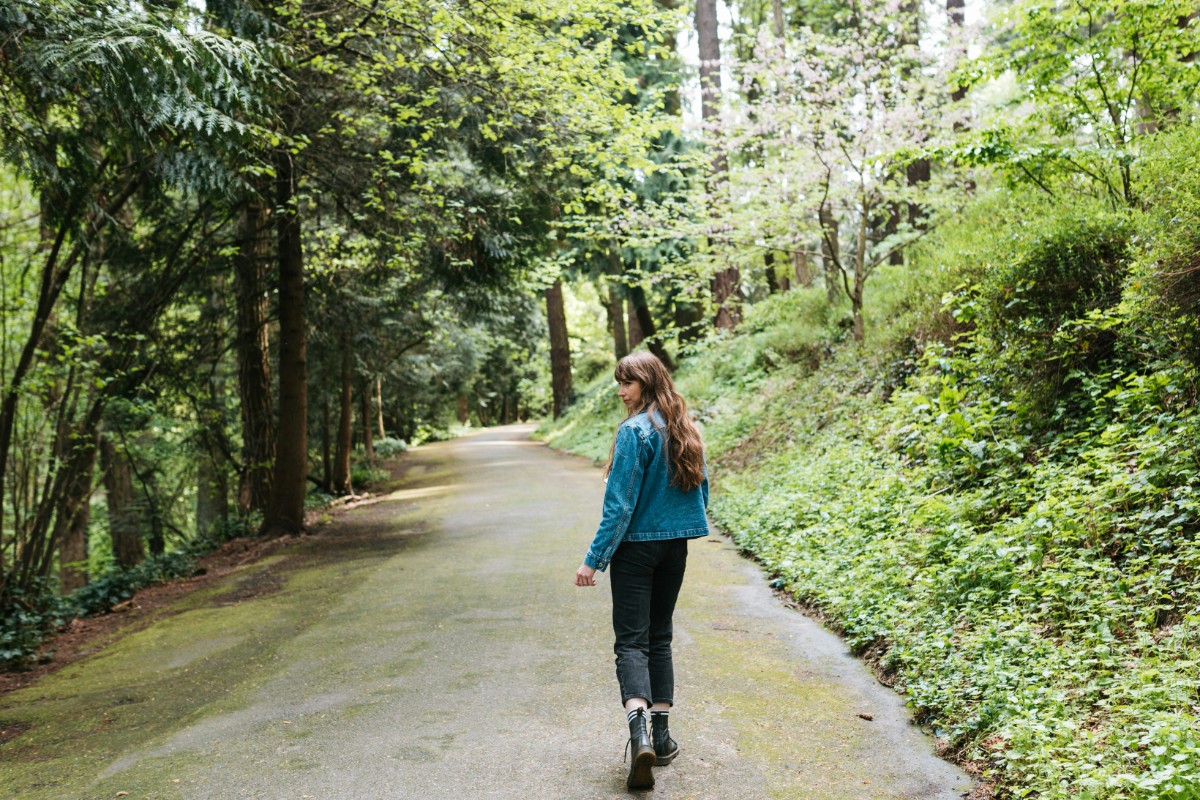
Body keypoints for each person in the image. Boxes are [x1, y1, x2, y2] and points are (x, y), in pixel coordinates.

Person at [574, 350, 710, 791]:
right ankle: (663, 737)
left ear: (648, 383)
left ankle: (639, 738)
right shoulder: (686, 427)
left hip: (636, 550)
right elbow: (700, 491)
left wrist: (592, 560)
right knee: (661, 636)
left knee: (632, 642)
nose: (620, 391)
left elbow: (619, 507)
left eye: (627, 383)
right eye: (619, 383)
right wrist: (681, 527)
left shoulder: (634, 432)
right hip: (675, 547)